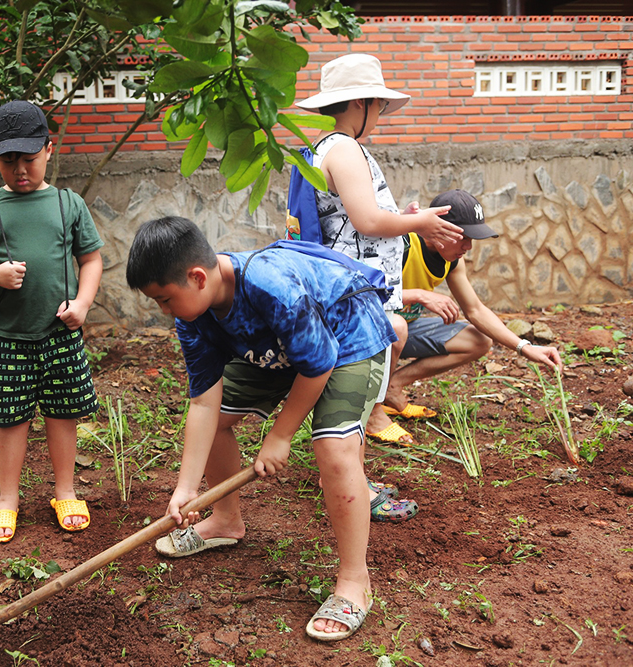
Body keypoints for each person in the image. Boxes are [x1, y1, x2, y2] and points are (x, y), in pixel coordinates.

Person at [126, 216, 397, 641]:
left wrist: (281, 435)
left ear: (197, 277)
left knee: (333, 449)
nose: (164, 311)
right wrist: (185, 487)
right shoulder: (193, 317)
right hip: (279, 351)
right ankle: (225, 521)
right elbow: (203, 402)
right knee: (217, 421)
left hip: (347, 340)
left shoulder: (272, 287)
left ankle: (353, 582)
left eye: (164, 299)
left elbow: (320, 362)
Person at [293, 53, 464, 446]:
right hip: (352, 287)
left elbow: (350, 219)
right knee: (377, 351)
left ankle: (361, 432)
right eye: (380, 106)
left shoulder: (321, 146)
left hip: (343, 280)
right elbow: (368, 221)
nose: (382, 113)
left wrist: (401, 217)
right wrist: (421, 222)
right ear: (360, 103)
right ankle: (358, 438)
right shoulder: (346, 148)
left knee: (393, 332)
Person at [0, 100, 104, 543]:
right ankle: (7, 500)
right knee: (10, 418)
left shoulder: (67, 203)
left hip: (59, 331)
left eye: (29, 159)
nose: (20, 170)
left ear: (48, 150)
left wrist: (82, 303)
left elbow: (91, 259)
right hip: (8, 337)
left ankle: (65, 490)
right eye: (9, 161)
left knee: (63, 414)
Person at [386, 190, 561, 411]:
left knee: (478, 340)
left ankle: (393, 386)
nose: (468, 247)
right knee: (395, 327)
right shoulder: (400, 244)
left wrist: (524, 347)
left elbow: (475, 310)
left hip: (405, 331)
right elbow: (361, 294)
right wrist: (418, 295)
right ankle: (370, 407)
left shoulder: (453, 261)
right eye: (464, 238)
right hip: (374, 331)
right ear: (438, 228)